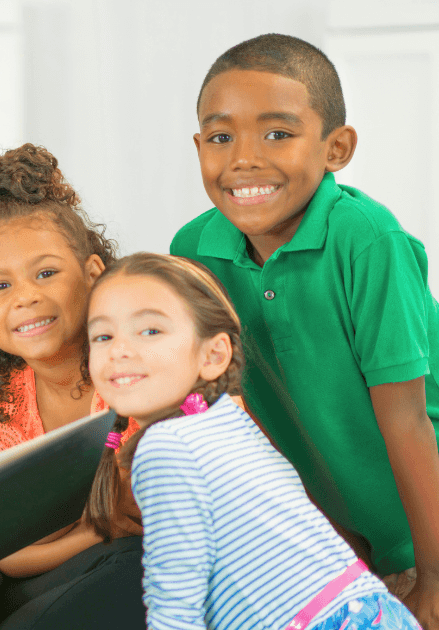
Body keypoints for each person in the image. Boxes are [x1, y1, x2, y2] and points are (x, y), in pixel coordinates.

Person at [170, 33, 439, 627]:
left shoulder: (369, 241)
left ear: (336, 148)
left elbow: (407, 418)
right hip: (333, 536)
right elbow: (241, 409)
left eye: (278, 134)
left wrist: (436, 579)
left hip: (427, 525)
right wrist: (327, 533)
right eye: (220, 137)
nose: (243, 158)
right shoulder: (192, 250)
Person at [85, 252, 420, 630]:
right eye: (103, 336)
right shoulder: (224, 418)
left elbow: (175, 604)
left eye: (150, 331)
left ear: (214, 354)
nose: (120, 350)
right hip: (372, 610)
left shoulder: (165, 448)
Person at [0, 143, 145, 629]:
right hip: (61, 574)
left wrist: (82, 532)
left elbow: (148, 517)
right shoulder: (9, 400)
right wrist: (97, 529)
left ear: (95, 275)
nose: (27, 297)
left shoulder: (136, 375)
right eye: (0, 286)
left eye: (47, 273)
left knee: (133, 564)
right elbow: (11, 554)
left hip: (143, 568)